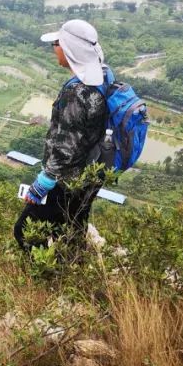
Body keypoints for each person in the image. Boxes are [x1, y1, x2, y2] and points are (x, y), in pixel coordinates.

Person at [16, 19, 109, 258]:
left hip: (65, 182)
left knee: (25, 231)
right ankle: (73, 278)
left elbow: (66, 148)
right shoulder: (102, 79)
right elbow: (80, 130)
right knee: (72, 231)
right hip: (89, 176)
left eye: (57, 43)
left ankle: (42, 280)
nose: (54, 48)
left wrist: (43, 183)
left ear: (69, 49)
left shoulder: (76, 92)